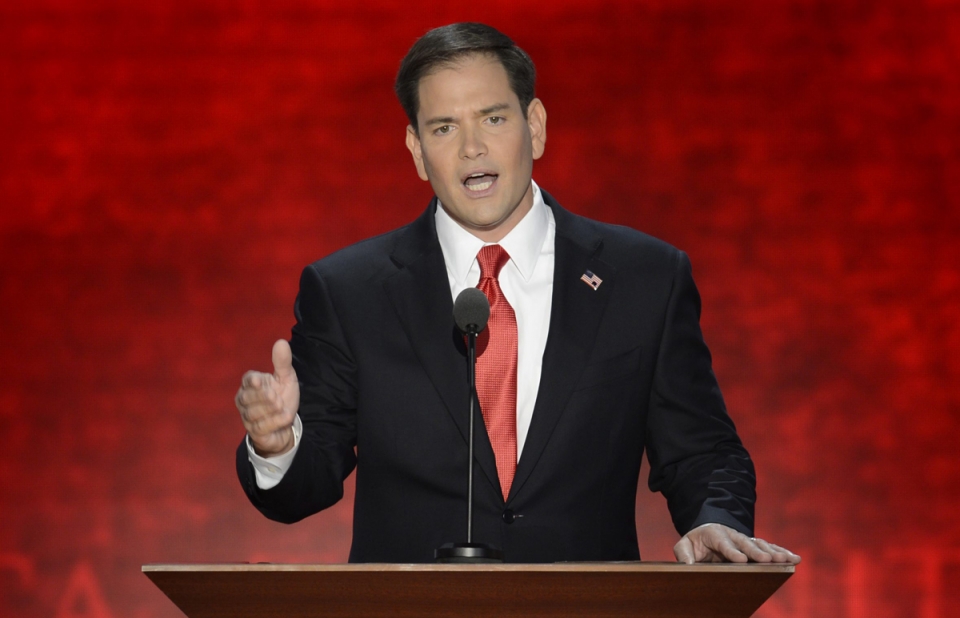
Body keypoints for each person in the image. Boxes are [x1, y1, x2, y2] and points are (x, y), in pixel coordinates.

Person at [234, 22, 800, 565]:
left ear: (535, 126)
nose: (472, 148)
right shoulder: (348, 291)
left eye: (493, 118)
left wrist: (714, 517)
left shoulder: (645, 278)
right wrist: (278, 444)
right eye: (444, 127)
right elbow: (299, 492)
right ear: (415, 150)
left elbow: (701, 450)